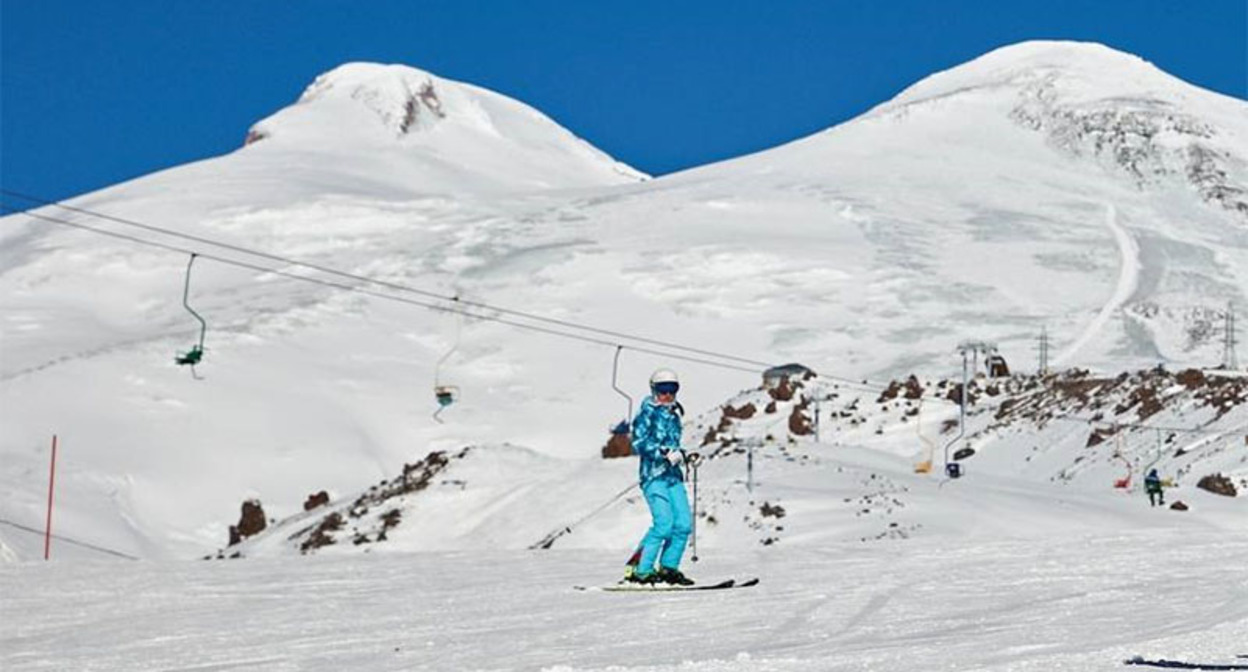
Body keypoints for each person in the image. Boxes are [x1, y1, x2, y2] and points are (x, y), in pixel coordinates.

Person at [623, 368, 696, 586]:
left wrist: (682, 455)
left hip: (673, 477)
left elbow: (673, 446)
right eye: (663, 390)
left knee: (683, 524)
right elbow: (638, 443)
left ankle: (668, 568)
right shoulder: (647, 413)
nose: (668, 395)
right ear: (654, 390)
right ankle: (638, 569)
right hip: (653, 477)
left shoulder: (674, 415)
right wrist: (663, 453)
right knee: (664, 524)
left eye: (673, 390)